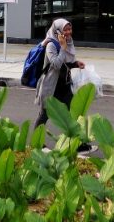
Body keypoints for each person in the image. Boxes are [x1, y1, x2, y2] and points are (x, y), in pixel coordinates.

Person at [34, 18, 94, 153]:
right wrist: (62, 48)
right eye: (65, 29)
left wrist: (75, 63)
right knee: (44, 115)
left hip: (65, 85)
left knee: (71, 114)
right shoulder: (51, 44)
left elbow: (67, 62)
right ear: (58, 30)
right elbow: (56, 64)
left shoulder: (67, 42)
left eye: (69, 29)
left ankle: (77, 144)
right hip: (51, 87)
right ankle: (37, 143)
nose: (68, 32)